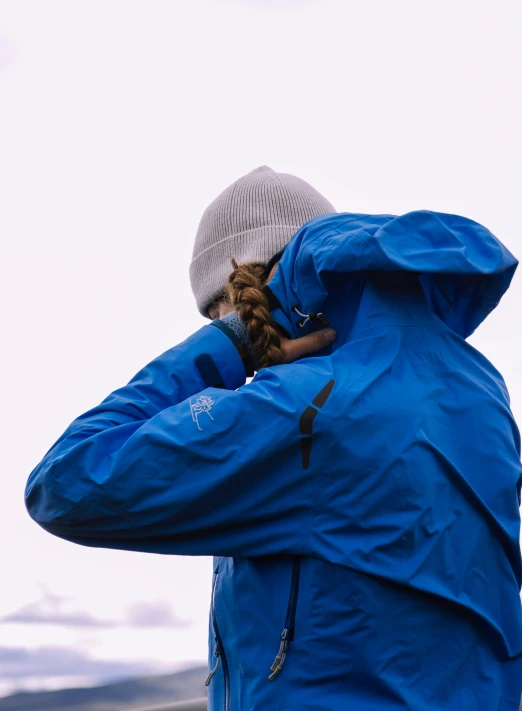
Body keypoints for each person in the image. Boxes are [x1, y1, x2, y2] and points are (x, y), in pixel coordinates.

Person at [25, 165, 522, 710]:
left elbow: (65, 483)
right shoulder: (479, 390)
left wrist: (222, 349)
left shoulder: (303, 409)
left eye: (218, 317)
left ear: (247, 304)